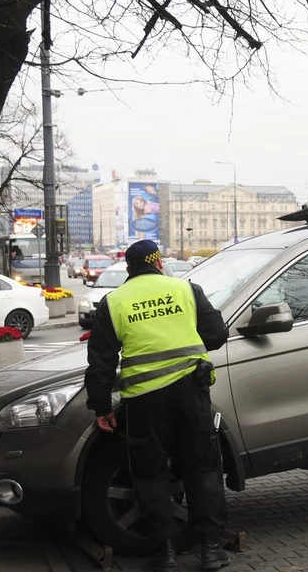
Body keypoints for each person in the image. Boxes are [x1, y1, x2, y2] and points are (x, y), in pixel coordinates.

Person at [84, 239, 230, 571]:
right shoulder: (186, 290)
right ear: (159, 263)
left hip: (143, 402)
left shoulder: (115, 301)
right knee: (202, 467)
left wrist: (101, 406)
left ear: (129, 268)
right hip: (190, 393)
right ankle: (210, 549)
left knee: (150, 474)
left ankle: (165, 553)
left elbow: (102, 361)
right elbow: (216, 335)